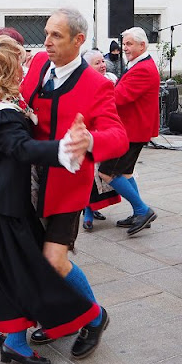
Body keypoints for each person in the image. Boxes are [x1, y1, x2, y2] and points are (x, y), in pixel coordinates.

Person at [0, 36, 100, 364]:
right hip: (5, 206)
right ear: (8, 73)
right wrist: (65, 149)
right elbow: (22, 148)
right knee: (20, 271)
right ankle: (15, 344)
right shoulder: (3, 116)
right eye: (20, 66)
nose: (26, 70)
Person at [20, 8, 128, 358]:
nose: (47, 42)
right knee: (36, 259)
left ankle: (95, 317)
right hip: (31, 181)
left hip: (67, 187)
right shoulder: (38, 64)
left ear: (78, 41)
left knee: (54, 259)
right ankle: (60, 320)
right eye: (47, 33)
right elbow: (21, 101)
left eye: (56, 36)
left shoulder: (96, 84)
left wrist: (91, 141)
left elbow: (118, 136)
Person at [98, 27, 160, 237]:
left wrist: (99, 87)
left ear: (143, 45)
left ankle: (143, 210)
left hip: (132, 130)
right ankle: (138, 211)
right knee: (125, 173)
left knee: (106, 172)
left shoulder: (143, 68)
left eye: (129, 44)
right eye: (124, 44)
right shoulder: (140, 64)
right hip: (133, 128)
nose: (125, 48)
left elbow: (119, 97)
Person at [79, 49, 121, 230]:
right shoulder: (82, 83)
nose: (102, 65)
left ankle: (93, 209)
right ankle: (88, 213)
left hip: (106, 132)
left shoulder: (111, 79)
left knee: (103, 175)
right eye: (97, 63)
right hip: (89, 133)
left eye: (102, 61)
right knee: (88, 175)